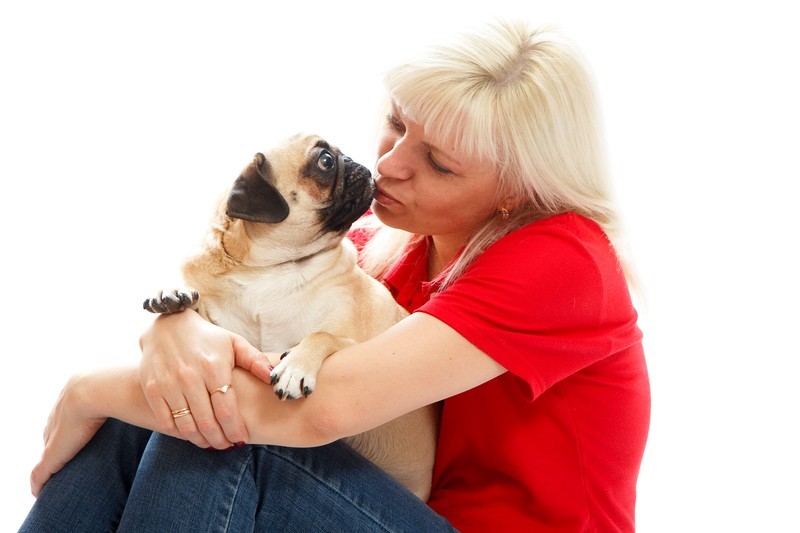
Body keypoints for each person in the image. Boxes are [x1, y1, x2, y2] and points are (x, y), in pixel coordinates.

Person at [21, 19, 650, 532]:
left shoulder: (563, 259)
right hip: (394, 510)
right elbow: (229, 300)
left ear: (517, 190)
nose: (389, 164)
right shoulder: (381, 252)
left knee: (209, 433)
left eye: (438, 163)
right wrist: (173, 329)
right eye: (398, 123)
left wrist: (87, 391)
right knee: (159, 418)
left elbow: (322, 411)